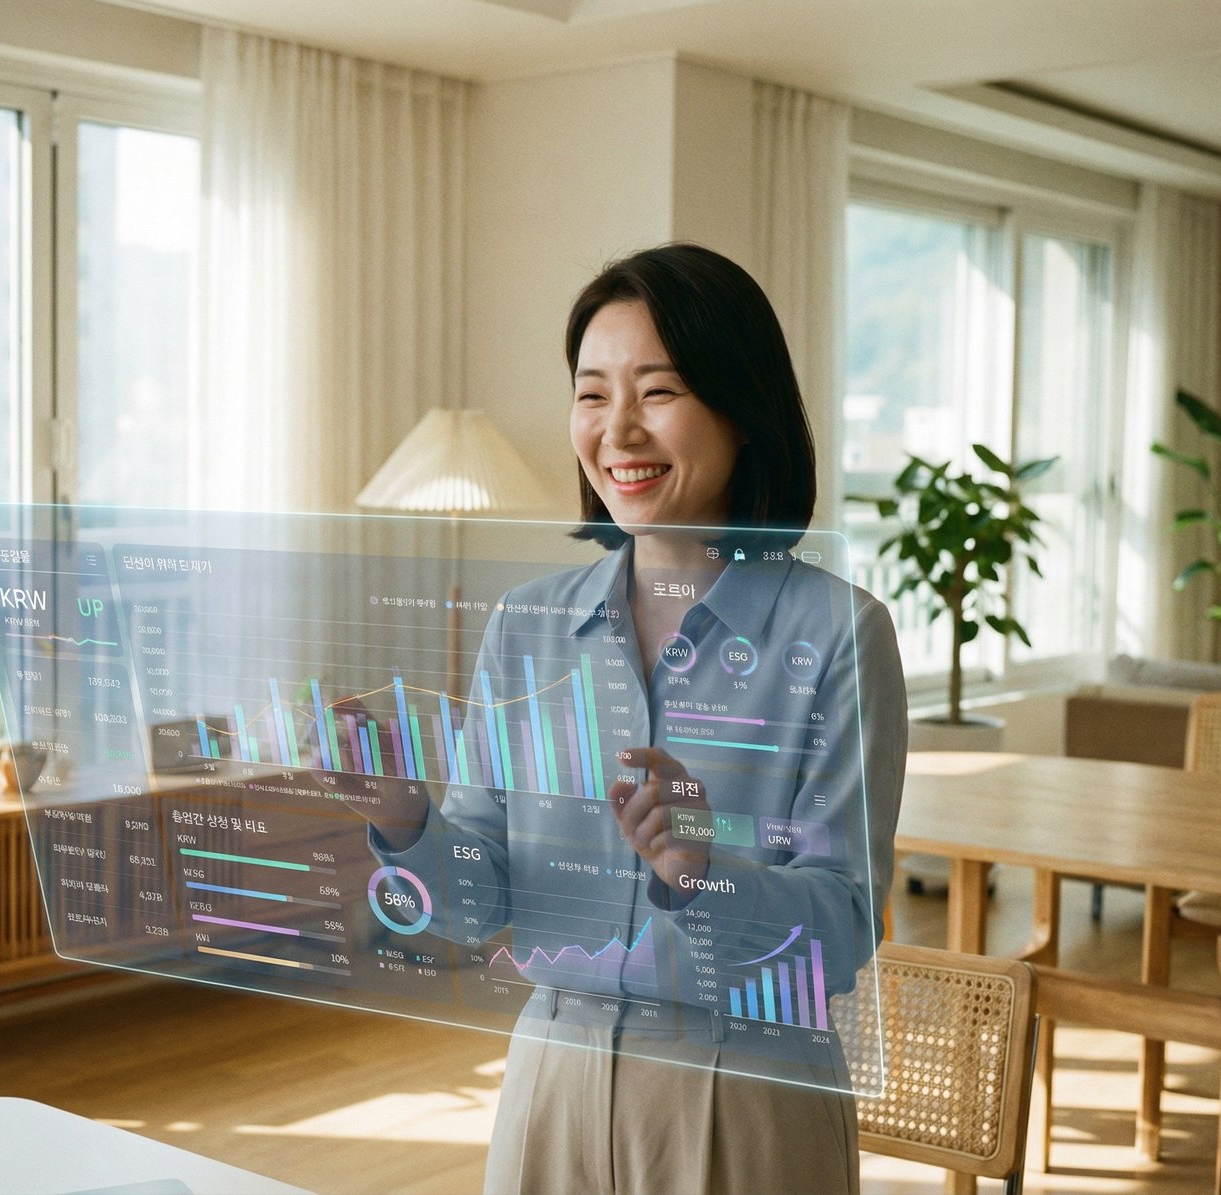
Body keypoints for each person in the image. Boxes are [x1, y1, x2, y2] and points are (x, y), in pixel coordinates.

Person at [359, 243, 907, 1194]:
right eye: (591, 393)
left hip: (744, 1093)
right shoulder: (529, 624)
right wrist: (406, 820)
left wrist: (705, 873)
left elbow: (843, 927)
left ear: (743, 411)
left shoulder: (840, 633)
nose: (619, 430)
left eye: (658, 391)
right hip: (550, 1082)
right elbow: (481, 902)